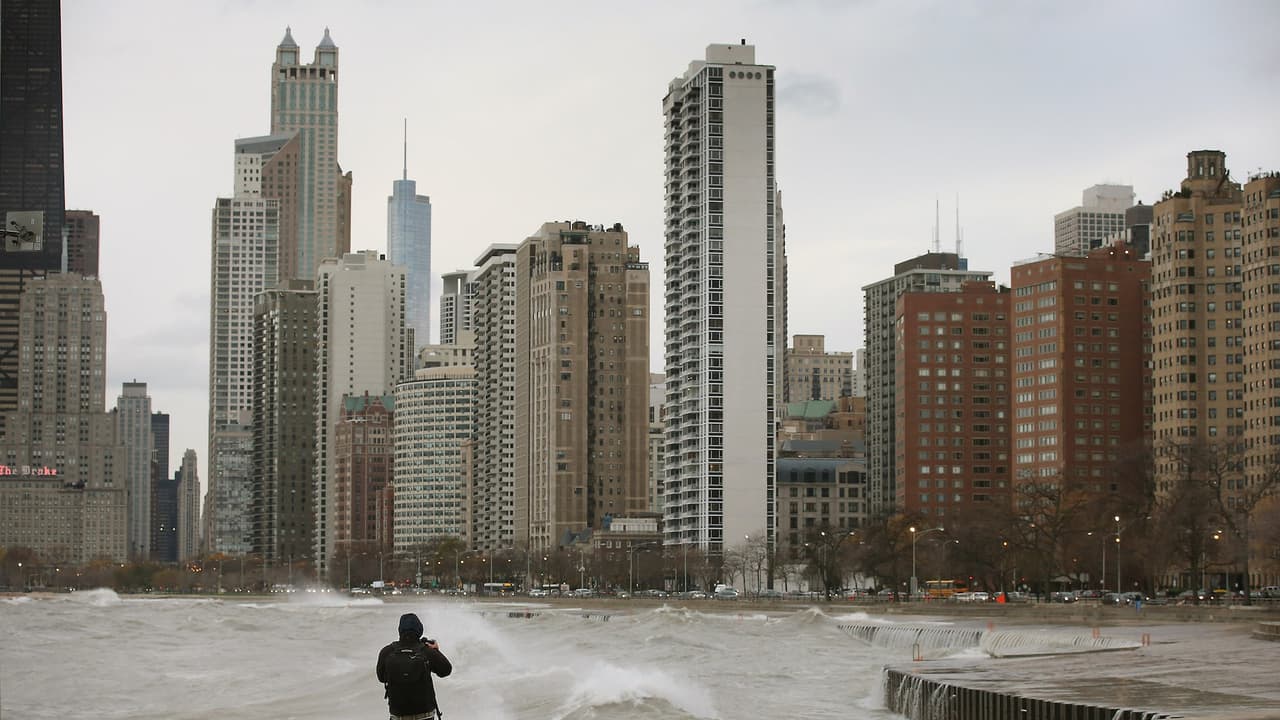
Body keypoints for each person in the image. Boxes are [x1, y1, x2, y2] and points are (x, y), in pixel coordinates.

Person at [377, 612, 452, 720]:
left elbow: (381, 678)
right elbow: (446, 670)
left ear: (400, 630)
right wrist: (436, 651)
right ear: (419, 630)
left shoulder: (387, 651)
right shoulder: (426, 651)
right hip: (425, 715)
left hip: (398, 716)